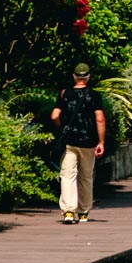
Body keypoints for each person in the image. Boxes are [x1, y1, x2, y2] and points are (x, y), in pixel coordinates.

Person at [49, 63, 106, 224]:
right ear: (88, 77)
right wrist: (101, 141)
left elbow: (54, 116)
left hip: (69, 141)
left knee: (68, 175)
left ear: (74, 76)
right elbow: (100, 119)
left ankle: (68, 211)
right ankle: (83, 212)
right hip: (89, 142)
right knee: (86, 177)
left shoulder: (64, 93)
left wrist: (62, 129)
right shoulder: (94, 95)